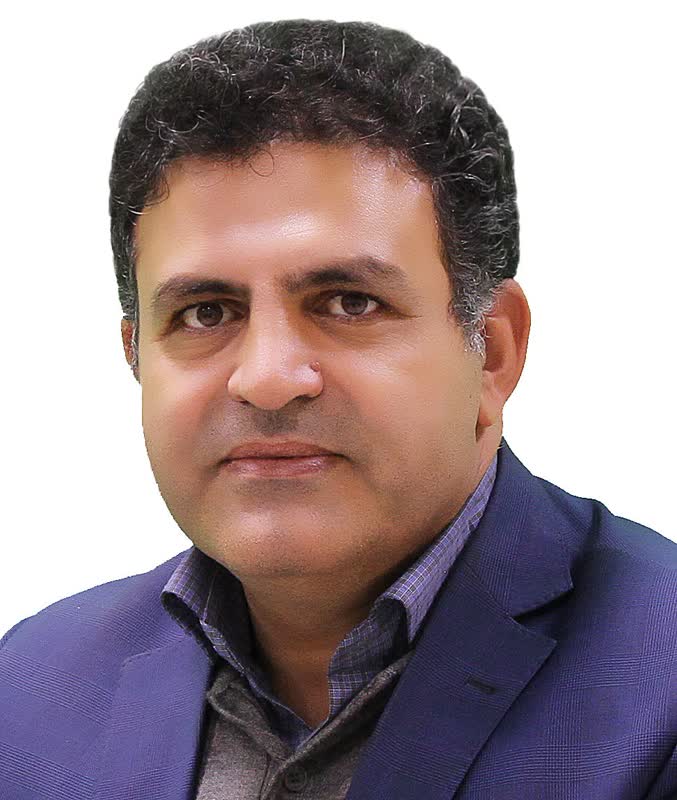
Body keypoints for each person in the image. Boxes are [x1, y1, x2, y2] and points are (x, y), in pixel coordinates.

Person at [0, 18, 674, 800]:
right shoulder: (30, 690)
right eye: (206, 313)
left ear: (491, 351)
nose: (267, 378)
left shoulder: (657, 696)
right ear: (137, 358)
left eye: (349, 301)